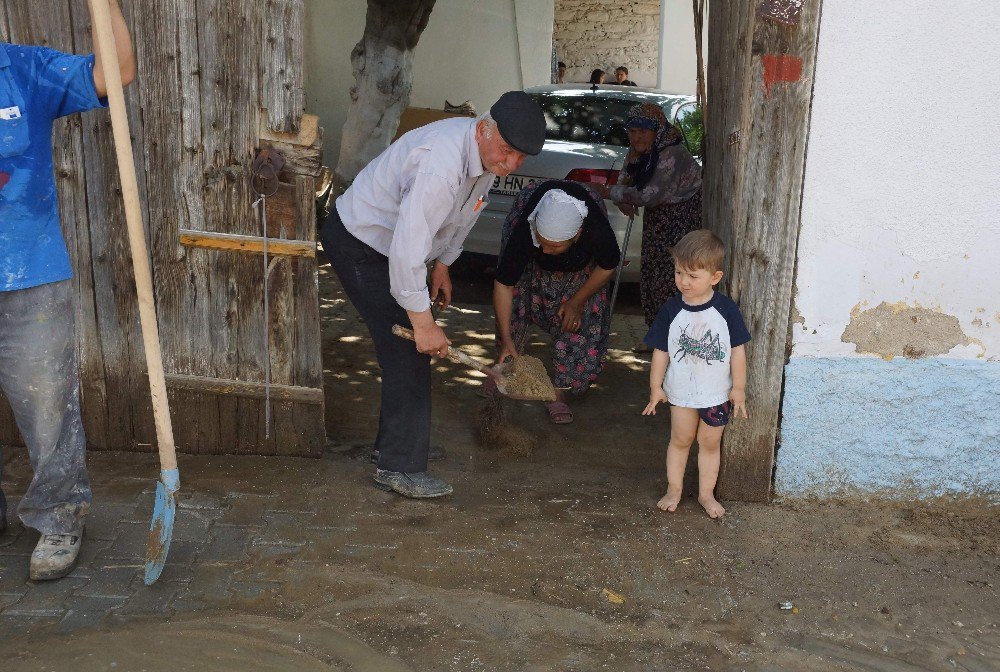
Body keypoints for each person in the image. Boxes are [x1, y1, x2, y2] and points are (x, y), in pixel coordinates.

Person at [321, 91, 545, 498]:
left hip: (391, 246)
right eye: (508, 151)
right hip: (360, 241)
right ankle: (398, 466)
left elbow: (464, 213)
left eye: (521, 158)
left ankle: (393, 447)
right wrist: (422, 323)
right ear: (483, 129)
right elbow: (407, 247)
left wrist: (443, 263)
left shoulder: (485, 155)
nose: (511, 164)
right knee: (409, 347)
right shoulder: (439, 166)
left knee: (404, 344)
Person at [0, 0, 136, 580]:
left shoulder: (25, 70)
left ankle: (60, 516)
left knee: (48, 405)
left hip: (29, 273)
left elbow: (117, 71)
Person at [492, 181, 621, 425]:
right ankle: (504, 364)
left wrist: (575, 302)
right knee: (516, 300)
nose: (547, 251)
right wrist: (508, 338)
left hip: (581, 268)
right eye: (542, 242)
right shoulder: (524, 230)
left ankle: (559, 389)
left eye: (555, 246)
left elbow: (608, 265)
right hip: (528, 222)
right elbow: (504, 284)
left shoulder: (595, 229)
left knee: (575, 318)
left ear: (578, 234)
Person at [641, 229, 750, 518]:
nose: (684, 282)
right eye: (679, 273)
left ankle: (705, 494)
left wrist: (738, 388)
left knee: (710, 443)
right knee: (680, 439)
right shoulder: (671, 310)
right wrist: (656, 387)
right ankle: (674, 489)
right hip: (681, 393)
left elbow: (738, 350)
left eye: (692, 276)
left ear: (715, 277)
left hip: (716, 394)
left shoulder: (726, 310)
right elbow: (661, 351)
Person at [592, 102, 703, 341]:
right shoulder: (639, 150)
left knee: (671, 278)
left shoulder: (671, 154)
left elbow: (648, 196)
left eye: (644, 131)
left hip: (680, 221)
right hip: (659, 219)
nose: (637, 136)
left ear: (657, 129)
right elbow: (627, 176)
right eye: (632, 131)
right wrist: (623, 194)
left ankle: (672, 340)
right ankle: (657, 336)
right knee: (651, 275)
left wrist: (610, 192)